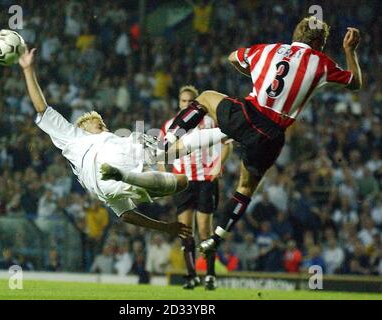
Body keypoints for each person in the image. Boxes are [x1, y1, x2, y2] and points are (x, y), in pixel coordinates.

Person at [160, 17, 362, 255]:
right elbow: (355, 82)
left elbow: (233, 57)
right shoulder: (321, 63)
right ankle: (216, 237)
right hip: (271, 136)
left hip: (247, 115)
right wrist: (350, 50)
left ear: (296, 34)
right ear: (320, 43)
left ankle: (168, 140)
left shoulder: (269, 49)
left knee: (205, 97)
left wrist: (252, 71)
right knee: (245, 187)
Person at [19, 48, 192, 239]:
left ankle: (212, 137)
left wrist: (165, 227)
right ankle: (147, 168)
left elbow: (126, 214)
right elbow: (42, 109)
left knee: (183, 181)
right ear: (84, 127)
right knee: (143, 143)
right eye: (98, 123)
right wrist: (28, 69)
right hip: (107, 175)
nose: (103, 125)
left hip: (113, 183)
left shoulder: (115, 141)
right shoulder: (74, 136)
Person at [158, 85, 232, 290]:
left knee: (205, 229)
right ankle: (191, 276)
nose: (186, 104)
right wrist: (164, 175)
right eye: (183, 101)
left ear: (196, 102)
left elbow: (228, 144)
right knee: (185, 230)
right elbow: (161, 153)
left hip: (206, 179)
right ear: (179, 103)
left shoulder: (209, 121)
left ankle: (210, 275)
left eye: (190, 101)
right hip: (182, 181)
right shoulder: (171, 125)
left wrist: (219, 164)